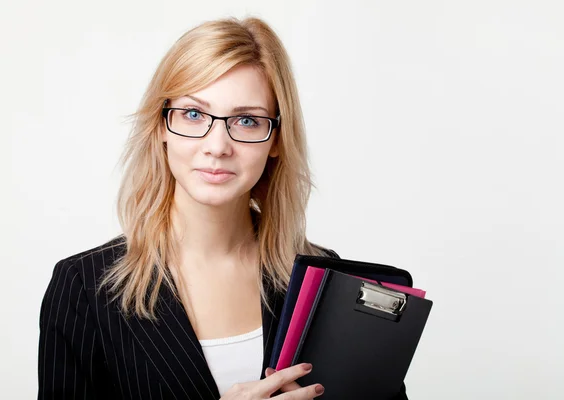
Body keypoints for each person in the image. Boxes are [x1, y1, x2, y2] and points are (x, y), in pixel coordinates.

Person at [38, 17, 408, 399]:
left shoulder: (326, 284)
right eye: (194, 114)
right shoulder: (83, 286)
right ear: (161, 125)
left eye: (246, 120)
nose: (217, 146)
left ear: (277, 139)